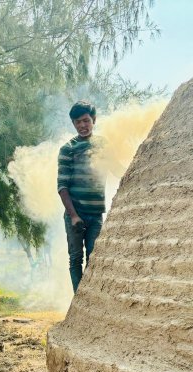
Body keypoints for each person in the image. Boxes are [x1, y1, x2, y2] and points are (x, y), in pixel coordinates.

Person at [57, 100, 107, 292]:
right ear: (73, 124)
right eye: (77, 122)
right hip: (75, 214)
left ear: (93, 120)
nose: (82, 125)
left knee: (94, 258)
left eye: (86, 120)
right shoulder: (68, 149)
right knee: (76, 258)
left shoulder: (103, 145)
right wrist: (74, 216)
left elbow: (113, 167)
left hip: (96, 215)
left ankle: (90, 297)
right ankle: (80, 301)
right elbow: (62, 186)